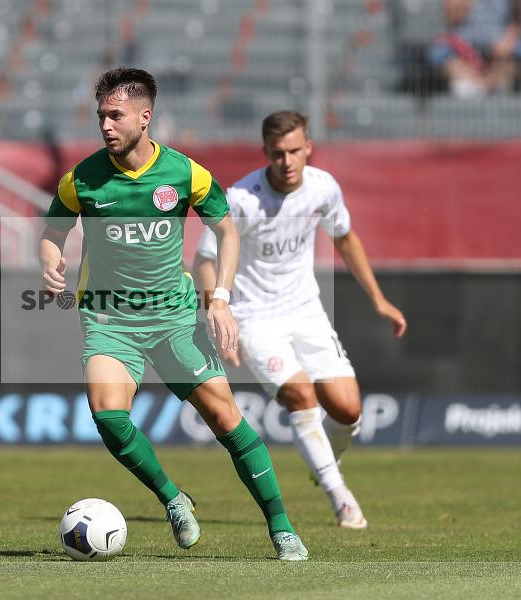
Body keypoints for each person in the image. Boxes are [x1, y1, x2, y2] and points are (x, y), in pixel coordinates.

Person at [39, 68, 308, 561]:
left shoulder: (186, 174)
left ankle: (282, 528)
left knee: (227, 420)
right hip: (109, 320)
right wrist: (50, 265)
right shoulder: (82, 178)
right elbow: (52, 232)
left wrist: (220, 298)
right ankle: (173, 498)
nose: (106, 125)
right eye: (101, 116)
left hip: (175, 320)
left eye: (116, 115)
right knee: (108, 417)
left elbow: (228, 233)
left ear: (146, 117)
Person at [194, 110, 407, 530]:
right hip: (255, 319)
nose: (287, 162)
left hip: (307, 311)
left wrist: (379, 299)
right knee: (301, 396)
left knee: (348, 411)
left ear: (308, 147)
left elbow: (345, 238)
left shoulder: (323, 188)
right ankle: (340, 497)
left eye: (295, 151)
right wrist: (217, 316)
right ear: (265, 153)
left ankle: (323, 459)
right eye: (278, 153)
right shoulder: (240, 199)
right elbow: (204, 260)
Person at [426, 0, 521, 97]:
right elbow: (452, 16)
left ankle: (494, 89)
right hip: (464, 44)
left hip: (501, 42)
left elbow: (520, 16)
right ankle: (468, 86)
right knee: (438, 53)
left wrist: (509, 40)